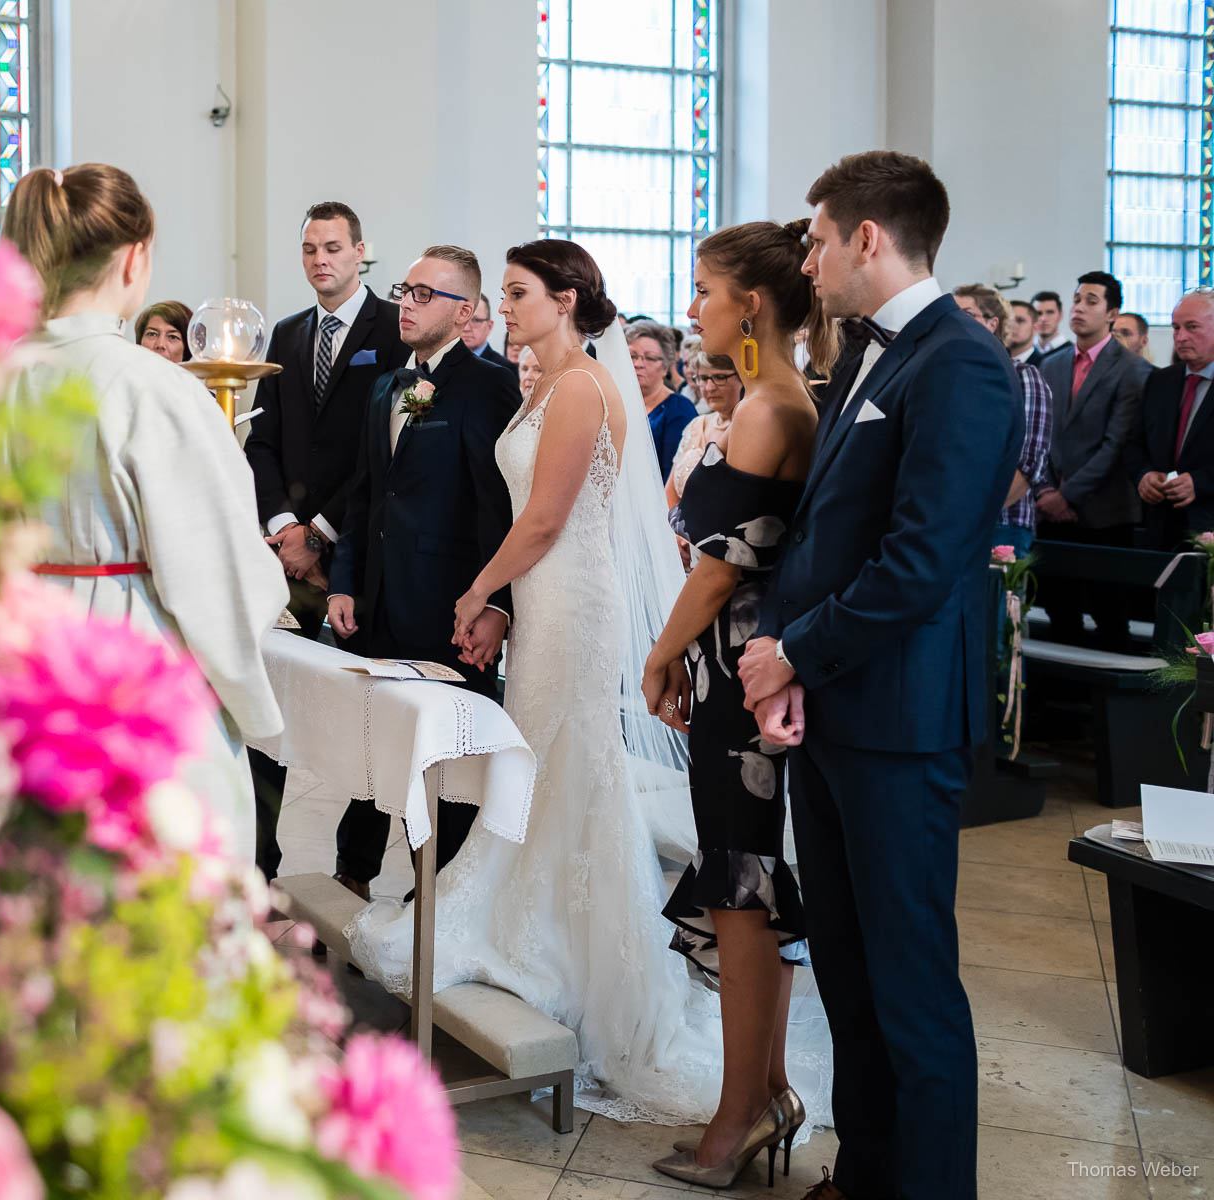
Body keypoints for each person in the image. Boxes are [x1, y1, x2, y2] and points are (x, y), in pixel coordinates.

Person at [347, 238, 834, 1138]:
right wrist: (507, 604)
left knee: (568, 761)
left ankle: (572, 948)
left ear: (568, 300)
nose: (509, 308)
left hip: (571, 602)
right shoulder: (545, 381)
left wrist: (481, 589)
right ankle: (538, 915)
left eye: (521, 294)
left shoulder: (578, 387)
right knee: (548, 764)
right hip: (547, 603)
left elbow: (545, 519)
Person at [736, 150, 1021, 1200]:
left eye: (813, 240)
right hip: (838, 709)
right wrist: (798, 664)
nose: (805, 261)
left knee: (911, 992)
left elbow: (921, 560)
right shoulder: (870, 354)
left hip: (901, 722)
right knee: (849, 981)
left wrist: (794, 649)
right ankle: (867, 1174)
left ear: (865, 237)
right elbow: (828, 537)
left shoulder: (961, 362)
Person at [5, 164, 288, 863]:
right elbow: (218, 578)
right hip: (126, 670)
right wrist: (254, 700)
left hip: (10, 662)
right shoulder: (152, 386)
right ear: (135, 258)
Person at [643, 220, 831, 1189]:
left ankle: (741, 1112)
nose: (693, 307)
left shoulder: (769, 405)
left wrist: (660, 652)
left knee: (743, 891)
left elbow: (722, 569)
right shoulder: (766, 395)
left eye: (704, 290)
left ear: (749, 305)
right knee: (740, 880)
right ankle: (764, 1092)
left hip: (739, 672)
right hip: (733, 675)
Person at [326, 246, 518, 891]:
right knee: (370, 748)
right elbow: (366, 494)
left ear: (465, 312)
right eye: (403, 290)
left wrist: (496, 606)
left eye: (422, 294)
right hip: (377, 599)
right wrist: (345, 580)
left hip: (448, 609)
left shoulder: (491, 387)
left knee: (445, 761)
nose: (404, 304)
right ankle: (350, 872)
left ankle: (435, 890)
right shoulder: (387, 383)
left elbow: (499, 508)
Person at [241, 201, 405, 880]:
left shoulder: (395, 330)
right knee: (267, 703)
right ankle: (260, 854)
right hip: (289, 559)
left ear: (360, 252)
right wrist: (283, 529)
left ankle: (355, 867)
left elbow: (383, 452)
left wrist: (322, 533)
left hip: (362, 552)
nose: (321, 260)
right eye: (310, 249)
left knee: (369, 713)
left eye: (333, 248)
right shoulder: (285, 333)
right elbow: (264, 441)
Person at [1035, 271, 1152, 649]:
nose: (1079, 308)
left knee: (1110, 614)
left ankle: (1104, 707)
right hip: (1052, 511)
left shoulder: (1132, 370)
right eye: (1077, 299)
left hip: (1105, 513)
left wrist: (1068, 496)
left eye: (1091, 301)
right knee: (1058, 607)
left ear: (1112, 313)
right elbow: (1041, 435)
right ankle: (1058, 700)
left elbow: (1116, 444)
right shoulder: (1051, 365)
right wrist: (1047, 490)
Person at [954, 284, 1054, 558]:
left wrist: (973, 516)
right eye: (952, 315)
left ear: (992, 323)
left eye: (968, 314)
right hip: (950, 521)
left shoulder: (1023, 376)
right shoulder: (950, 379)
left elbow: (1029, 462)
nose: (957, 322)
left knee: (995, 600)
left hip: (1003, 524)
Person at [1128, 289, 1214, 547]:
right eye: (1176, 327)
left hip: (1208, 523)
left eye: (1192, 327)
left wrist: (1199, 482)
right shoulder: (1161, 380)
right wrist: (1144, 475)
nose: (1181, 336)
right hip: (1160, 525)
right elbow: (1133, 442)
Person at [666, 352, 744, 510]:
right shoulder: (696, 425)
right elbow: (670, 493)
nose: (709, 387)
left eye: (720, 377)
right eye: (703, 378)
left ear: (741, 379)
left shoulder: (746, 430)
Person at [630, 319, 698, 480]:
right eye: (632, 356)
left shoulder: (679, 409)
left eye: (650, 358)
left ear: (666, 366)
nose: (638, 364)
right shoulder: (620, 404)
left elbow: (673, 477)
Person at [465, 292, 515, 372]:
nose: (466, 328)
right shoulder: (441, 360)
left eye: (476, 320)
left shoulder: (505, 369)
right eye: (463, 319)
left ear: (489, 326)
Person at [1004, 298, 1045, 366]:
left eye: (1020, 320)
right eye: (1007, 319)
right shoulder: (992, 360)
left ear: (1035, 328)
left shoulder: (1047, 366)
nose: (1011, 325)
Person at [1032, 289, 1070, 357]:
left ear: (1060, 315)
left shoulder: (1072, 352)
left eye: (1050, 312)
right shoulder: (1025, 351)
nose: (1043, 318)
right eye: (1038, 313)